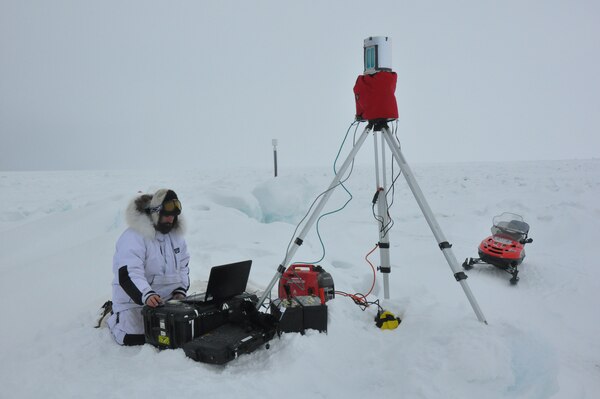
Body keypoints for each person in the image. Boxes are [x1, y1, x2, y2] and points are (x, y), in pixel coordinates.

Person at [107, 189, 190, 346]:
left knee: (179, 334)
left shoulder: (177, 237)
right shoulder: (133, 237)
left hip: (167, 303)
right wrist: (147, 295)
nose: (170, 220)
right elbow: (129, 273)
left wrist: (180, 290)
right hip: (135, 301)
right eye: (166, 215)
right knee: (133, 338)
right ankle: (114, 316)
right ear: (155, 212)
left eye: (173, 216)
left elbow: (184, 266)